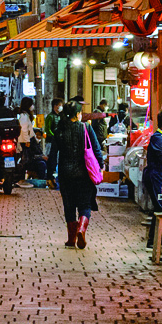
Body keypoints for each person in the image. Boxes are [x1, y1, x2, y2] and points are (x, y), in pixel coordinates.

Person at [53, 103, 101, 248]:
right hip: (84, 173)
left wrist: (50, 174)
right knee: (85, 204)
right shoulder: (85, 128)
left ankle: (71, 239)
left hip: (65, 174)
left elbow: (53, 153)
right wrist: (100, 167)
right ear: (78, 114)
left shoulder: (59, 130)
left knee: (69, 205)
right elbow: (96, 149)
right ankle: (81, 228)